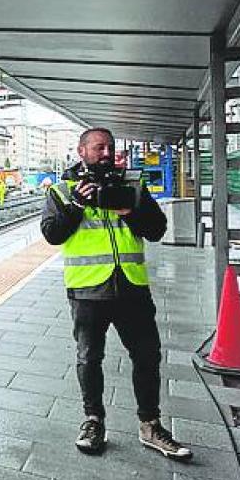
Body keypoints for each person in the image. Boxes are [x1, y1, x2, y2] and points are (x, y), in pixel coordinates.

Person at [41, 127, 191, 460]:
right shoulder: (62, 190)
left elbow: (157, 230)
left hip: (132, 288)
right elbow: (52, 234)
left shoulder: (132, 187)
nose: (106, 153)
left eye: (110, 147)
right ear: (82, 151)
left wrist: (128, 210)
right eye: (98, 147)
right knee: (89, 358)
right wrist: (78, 205)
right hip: (87, 290)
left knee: (147, 357)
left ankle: (150, 425)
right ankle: (93, 421)